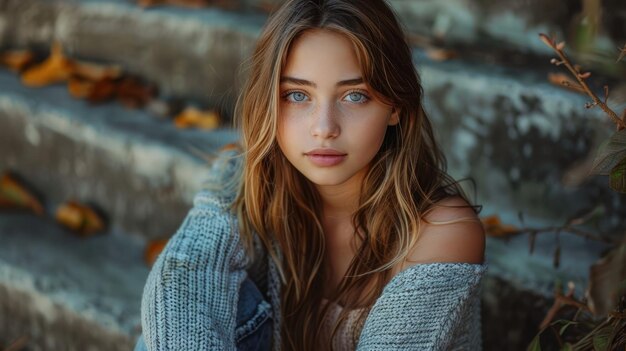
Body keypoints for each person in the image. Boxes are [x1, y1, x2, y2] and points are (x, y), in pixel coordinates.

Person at [135, 0, 487, 350]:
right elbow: (182, 284)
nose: (324, 128)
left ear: (394, 106)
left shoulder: (441, 231)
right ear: (269, 102)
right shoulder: (244, 182)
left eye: (354, 96)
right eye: (297, 95)